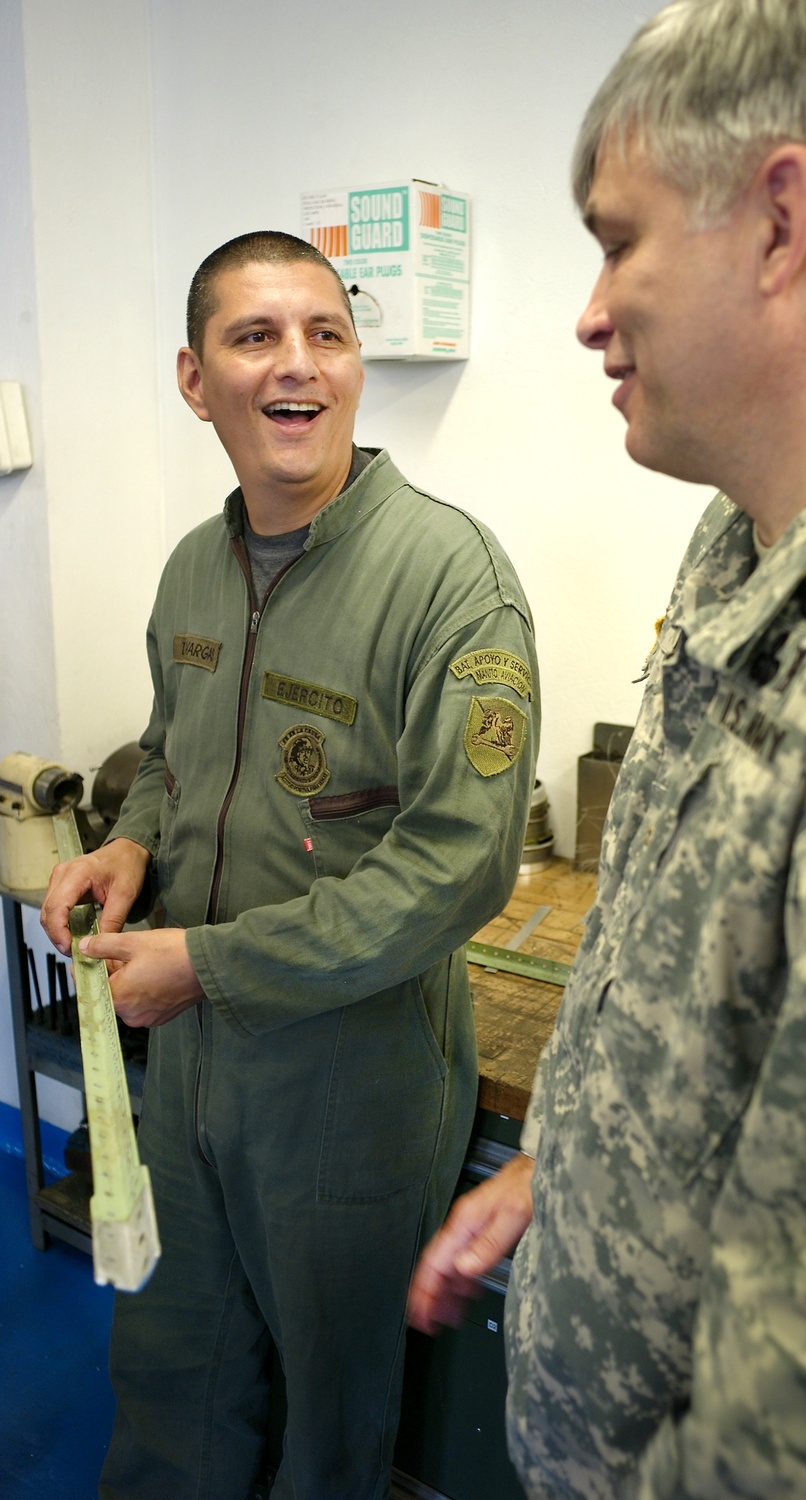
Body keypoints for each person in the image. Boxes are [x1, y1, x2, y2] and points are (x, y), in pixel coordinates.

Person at [408, 1, 806, 1495]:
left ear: (781, 222)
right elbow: (698, 963)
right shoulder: (748, 528)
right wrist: (576, 1149)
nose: (590, 311)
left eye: (618, 241)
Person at [42, 230, 539, 1499]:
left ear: (357, 364)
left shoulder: (448, 580)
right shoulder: (191, 570)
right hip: (191, 1056)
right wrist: (129, 841)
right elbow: (167, 751)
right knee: (171, 1364)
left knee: (331, 1414)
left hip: (351, 1079)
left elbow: (458, 869)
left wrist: (203, 965)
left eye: (326, 333)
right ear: (193, 378)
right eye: (254, 337)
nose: (296, 367)